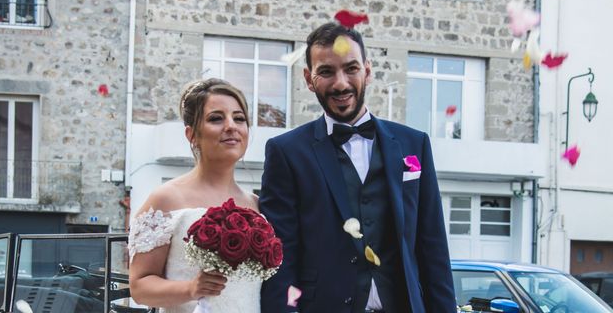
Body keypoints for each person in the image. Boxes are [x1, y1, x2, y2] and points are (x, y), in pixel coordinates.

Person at [260, 22, 457, 313]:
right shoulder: (286, 152)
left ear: (367, 70)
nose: (341, 83)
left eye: (351, 68)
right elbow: (280, 259)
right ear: (309, 78)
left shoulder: (414, 144)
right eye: (326, 72)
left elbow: (433, 249)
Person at [129, 78, 261, 313]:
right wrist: (191, 289)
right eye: (216, 118)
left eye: (239, 118)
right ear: (191, 134)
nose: (231, 126)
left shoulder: (256, 205)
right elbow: (139, 287)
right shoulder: (166, 199)